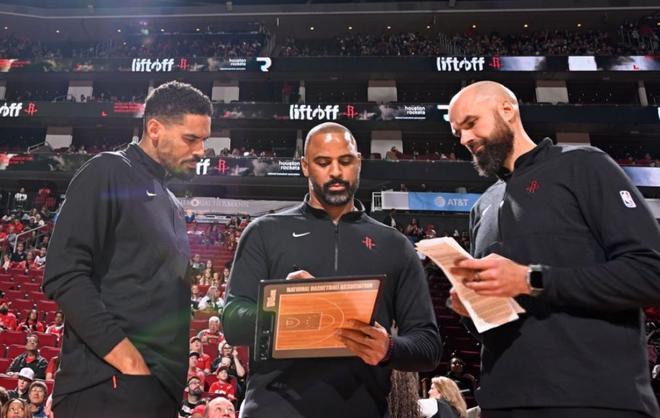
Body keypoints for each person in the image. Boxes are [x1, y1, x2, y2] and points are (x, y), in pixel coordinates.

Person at [446, 81, 660, 418]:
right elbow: (496, 326)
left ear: (507, 110)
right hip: (503, 402)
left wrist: (531, 280)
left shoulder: (584, 165)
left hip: (593, 400)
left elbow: (650, 273)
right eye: (458, 132)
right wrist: (470, 310)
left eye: (471, 123)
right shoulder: (482, 207)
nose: (464, 139)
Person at [222, 122, 442, 417]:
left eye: (345, 161)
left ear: (359, 162)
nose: (336, 171)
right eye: (323, 162)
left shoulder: (395, 245)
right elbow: (232, 322)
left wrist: (389, 348)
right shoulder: (264, 232)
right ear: (305, 166)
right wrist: (288, 307)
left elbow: (428, 346)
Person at [42, 80, 213, 418]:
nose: (201, 150)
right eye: (191, 138)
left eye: (204, 140)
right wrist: (130, 363)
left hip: (157, 390)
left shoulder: (171, 201)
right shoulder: (107, 171)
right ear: (155, 129)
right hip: (110, 385)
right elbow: (65, 274)